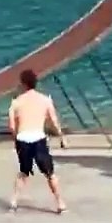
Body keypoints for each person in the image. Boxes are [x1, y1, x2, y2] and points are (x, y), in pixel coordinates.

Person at [8, 69, 66, 214]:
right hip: (38, 138)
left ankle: (14, 201)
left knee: (23, 172)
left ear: (22, 84)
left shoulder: (16, 102)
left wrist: (15, 139)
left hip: (23, 139)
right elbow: (53, 120)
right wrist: (61, 137)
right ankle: (60, 203)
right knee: (49, 173)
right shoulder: (45, 100)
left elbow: (12, 126)